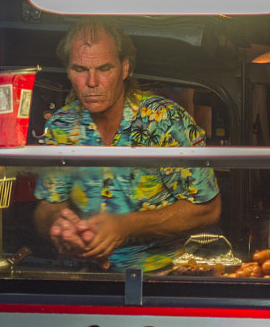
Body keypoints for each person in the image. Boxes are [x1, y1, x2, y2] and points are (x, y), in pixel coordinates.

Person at [33, 18, 221, 271]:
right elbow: (47, 204)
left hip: (163, 281)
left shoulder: (164, 121)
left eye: (104, 68)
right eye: (80, 69)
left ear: (125, 68)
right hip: (84, 280)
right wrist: (61, 226)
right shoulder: (61, 126)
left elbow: (208, 210)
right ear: (68, 71)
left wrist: (126, 225)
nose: (91, 82)